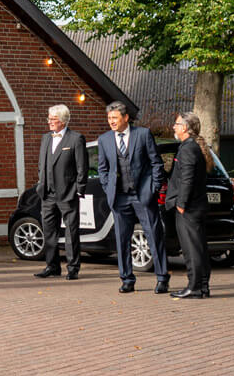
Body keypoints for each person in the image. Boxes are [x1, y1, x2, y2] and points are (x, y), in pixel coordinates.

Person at [97, 101, 169, 294]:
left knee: (154, 236)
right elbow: (102, 168)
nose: (111, 122)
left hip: (143, 195)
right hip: (119, 198)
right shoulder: (104, 140)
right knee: (121, 239)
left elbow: (156, 163)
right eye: (109, 118)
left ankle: (162, 278)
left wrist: (153, 188)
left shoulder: (143, 134)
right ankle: (127, 279)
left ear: (125, 117)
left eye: (115, 118)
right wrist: (107, 187)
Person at [33, 104, 88, 280]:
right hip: (47, 194)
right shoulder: (45, 138)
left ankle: (73, 267)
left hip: (67, 193)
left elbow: (82, 167)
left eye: (53, 119)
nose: (49, 122)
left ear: (63, 121)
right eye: (49, 118)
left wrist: (79, 190)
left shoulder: (76, 139)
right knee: (49, 231)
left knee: (71, 232)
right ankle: (52, 266)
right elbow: (42, 163)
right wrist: (41, 183)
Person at [166, 112, 212, 299]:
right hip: (196, 206)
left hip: (189, 208)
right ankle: (202, 286)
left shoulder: (187, 149)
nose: (173, 127)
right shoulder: (192, 147)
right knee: (199, 247)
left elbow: (187, 178)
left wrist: (181, 204)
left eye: (176, 124)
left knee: (191, 249)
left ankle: (194, 287)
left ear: (185, 128)